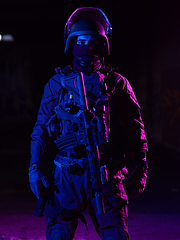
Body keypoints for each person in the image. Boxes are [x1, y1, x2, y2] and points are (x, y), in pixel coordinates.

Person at [29, 7, 148, 240]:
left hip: (107, 174)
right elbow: (41, 128)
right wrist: (34, 167)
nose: (87, 47)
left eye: (93, 41)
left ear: (103, 45)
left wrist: (141, 166)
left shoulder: (117, 84)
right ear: (71, 44)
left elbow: (136, 127)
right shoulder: (57, 84)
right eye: (81, 41)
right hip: (66, 174)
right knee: (59, 234)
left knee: (115, 234)